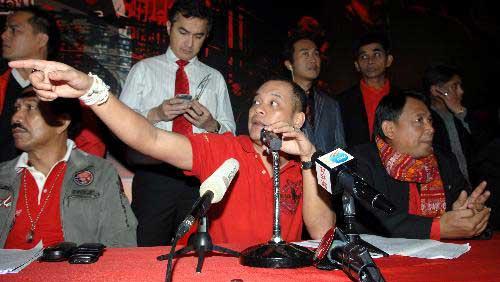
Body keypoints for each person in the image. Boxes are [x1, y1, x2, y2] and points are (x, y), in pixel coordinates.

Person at [8, 59, 335, 245]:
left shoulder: (309, 164)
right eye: (256, 102)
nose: (258, 109)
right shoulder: (226, 149)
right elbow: (149, 138)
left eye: (273, 103)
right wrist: (93, 91)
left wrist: (308, 161)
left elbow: (321, 232)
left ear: (298, 119)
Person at [118, 0, 235, 246]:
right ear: (169, 26)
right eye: (183, 32)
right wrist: (155, 114)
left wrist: (211, 124)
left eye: (198, 36)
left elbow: (231, 136)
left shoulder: (214, 79)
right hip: (154, 174)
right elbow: (121, 124)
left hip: (199, 177)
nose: (189, 43)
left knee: (194, 253)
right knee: (147, 250)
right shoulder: (143, 70)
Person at [0, 88, 137, 249]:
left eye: (30, 108)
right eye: (17, 108)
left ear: (62, 122)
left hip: (73, 271)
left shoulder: (99, 172)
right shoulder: (4, 175)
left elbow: (121, 242)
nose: (16, 118)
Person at [349, 91, 490, 239]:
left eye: (430, 121)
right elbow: (364, 221)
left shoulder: (444, 160)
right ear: (389, 129)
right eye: (419, 120)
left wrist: (470, 214)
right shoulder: (359, 161)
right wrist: (437, 228)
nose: (431, 129)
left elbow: (463, 214)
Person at [0, 7, 106, 162]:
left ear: (41, 40)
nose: (4, 35)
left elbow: (92, 145)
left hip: (52, 182)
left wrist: (70, 181)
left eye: (14, 30)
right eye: (5, 29)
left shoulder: (69, 88)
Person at [283, 33, 345, 153]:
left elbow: (340, 148)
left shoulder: (330, 104)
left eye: (316, 54)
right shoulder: (278, 102)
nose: (313, 59)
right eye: (305, 54)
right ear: (289, 64)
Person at [336, 32, 394, 148]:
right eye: (364, 56)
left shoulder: (405, 99)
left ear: (388, 60)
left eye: (376, 54)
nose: (370, 61)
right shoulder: (341, 102)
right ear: (357, 65)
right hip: (358, 163)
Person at [422, 63, 477, 183]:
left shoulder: (464, 114)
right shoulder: (426, 121)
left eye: (460, 85)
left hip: (475, 185)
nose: (461, 91)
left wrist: (460, 113)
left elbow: (483, 144)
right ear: (436, 91)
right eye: (454, 86)